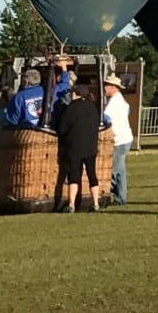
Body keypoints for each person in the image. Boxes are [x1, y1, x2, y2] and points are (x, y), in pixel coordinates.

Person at [54, 77, 103, 213]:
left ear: (76, 94)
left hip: (74, 147)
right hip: (91, 146)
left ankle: (71, 204)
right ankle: (95, 203)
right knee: (92, 174)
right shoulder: (93, 108)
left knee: (74, 175)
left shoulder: (71, 109)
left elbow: (62, 128)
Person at [102, 74, 134, 206]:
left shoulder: (114, 101)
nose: (104, 88)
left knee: (115, 170)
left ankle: (117, 196)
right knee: (120, 169)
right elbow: (128, 110)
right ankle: (120, 196)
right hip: (125, 138)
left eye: (106, 85)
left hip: (119, 140)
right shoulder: (120, 99)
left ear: (113, 87)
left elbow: (105, 117)